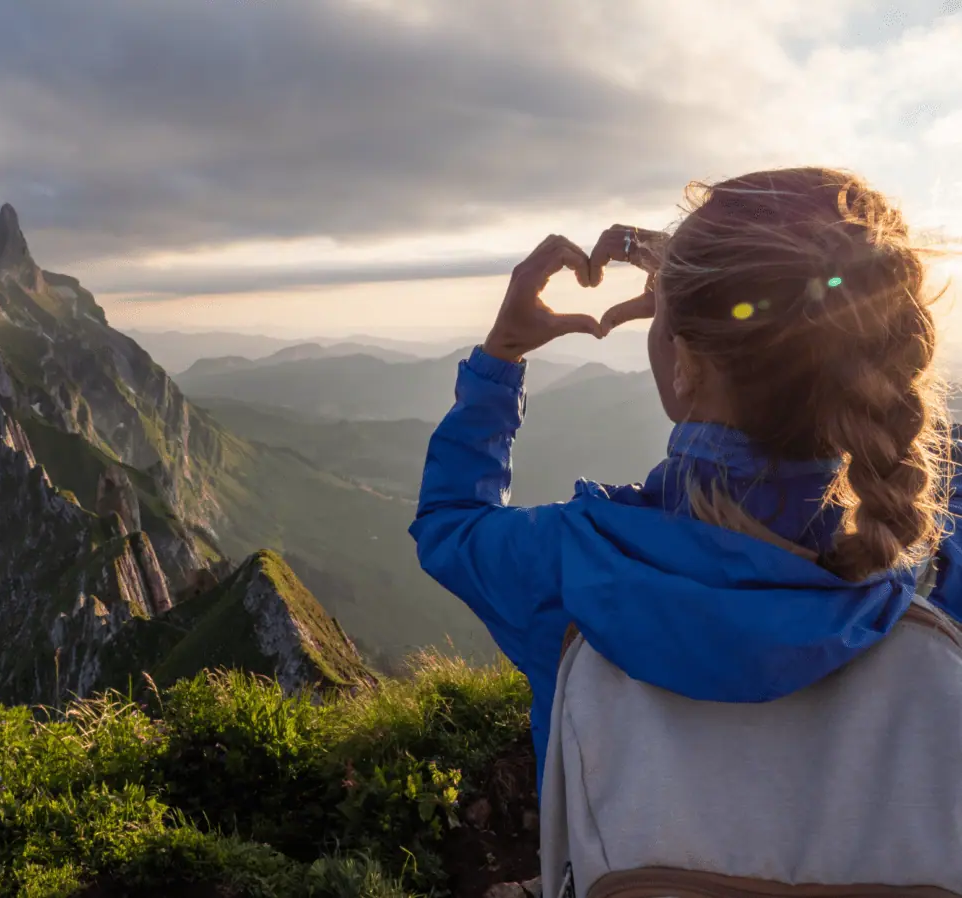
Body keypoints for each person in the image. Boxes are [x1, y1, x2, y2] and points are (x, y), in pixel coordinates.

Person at [410, 167, 962, 895]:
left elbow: (450, 524)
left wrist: (501, 357)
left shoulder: (576, 565)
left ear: (686, 365)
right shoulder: (919, 562)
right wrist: (711, 283)